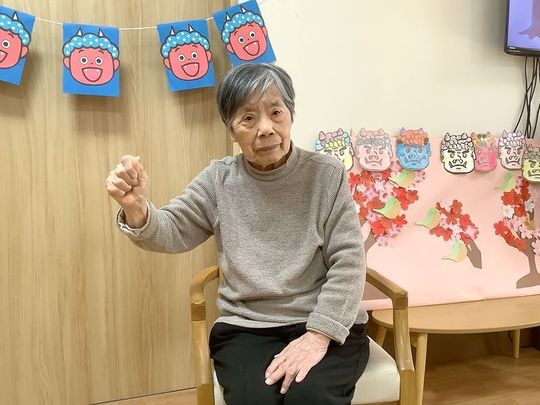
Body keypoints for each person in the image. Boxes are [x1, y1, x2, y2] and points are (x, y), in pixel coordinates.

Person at [105, 63, 369, 405]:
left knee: (312, 397)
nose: (266, 128)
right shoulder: (219, 180)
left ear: (290, 115)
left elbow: (349, 260)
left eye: (276, 112)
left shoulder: (326, 175)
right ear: (231, 130)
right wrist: (137, 208)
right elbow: (172, 230)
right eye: (248, 118)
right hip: (248, 327)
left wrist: (318, 335)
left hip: (322, 319)